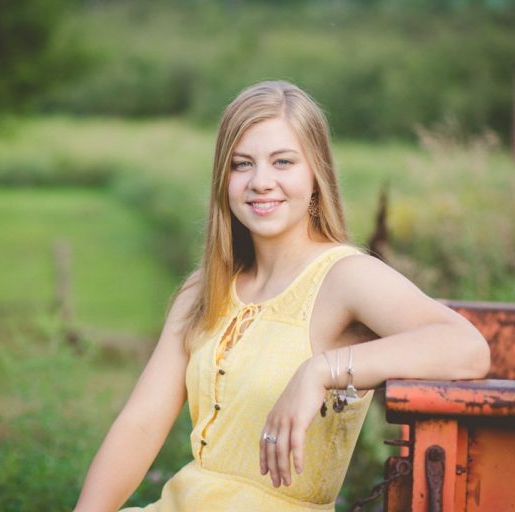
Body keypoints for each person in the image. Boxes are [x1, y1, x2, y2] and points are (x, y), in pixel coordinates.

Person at [74, 81, 490, 511]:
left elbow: (467, 348)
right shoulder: (203, 289)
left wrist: (321, 370)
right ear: (224, 178)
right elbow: (140, 425)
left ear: (316, 175)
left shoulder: (344, 277)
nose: (261, 182)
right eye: (241, 164)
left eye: (283, 162)